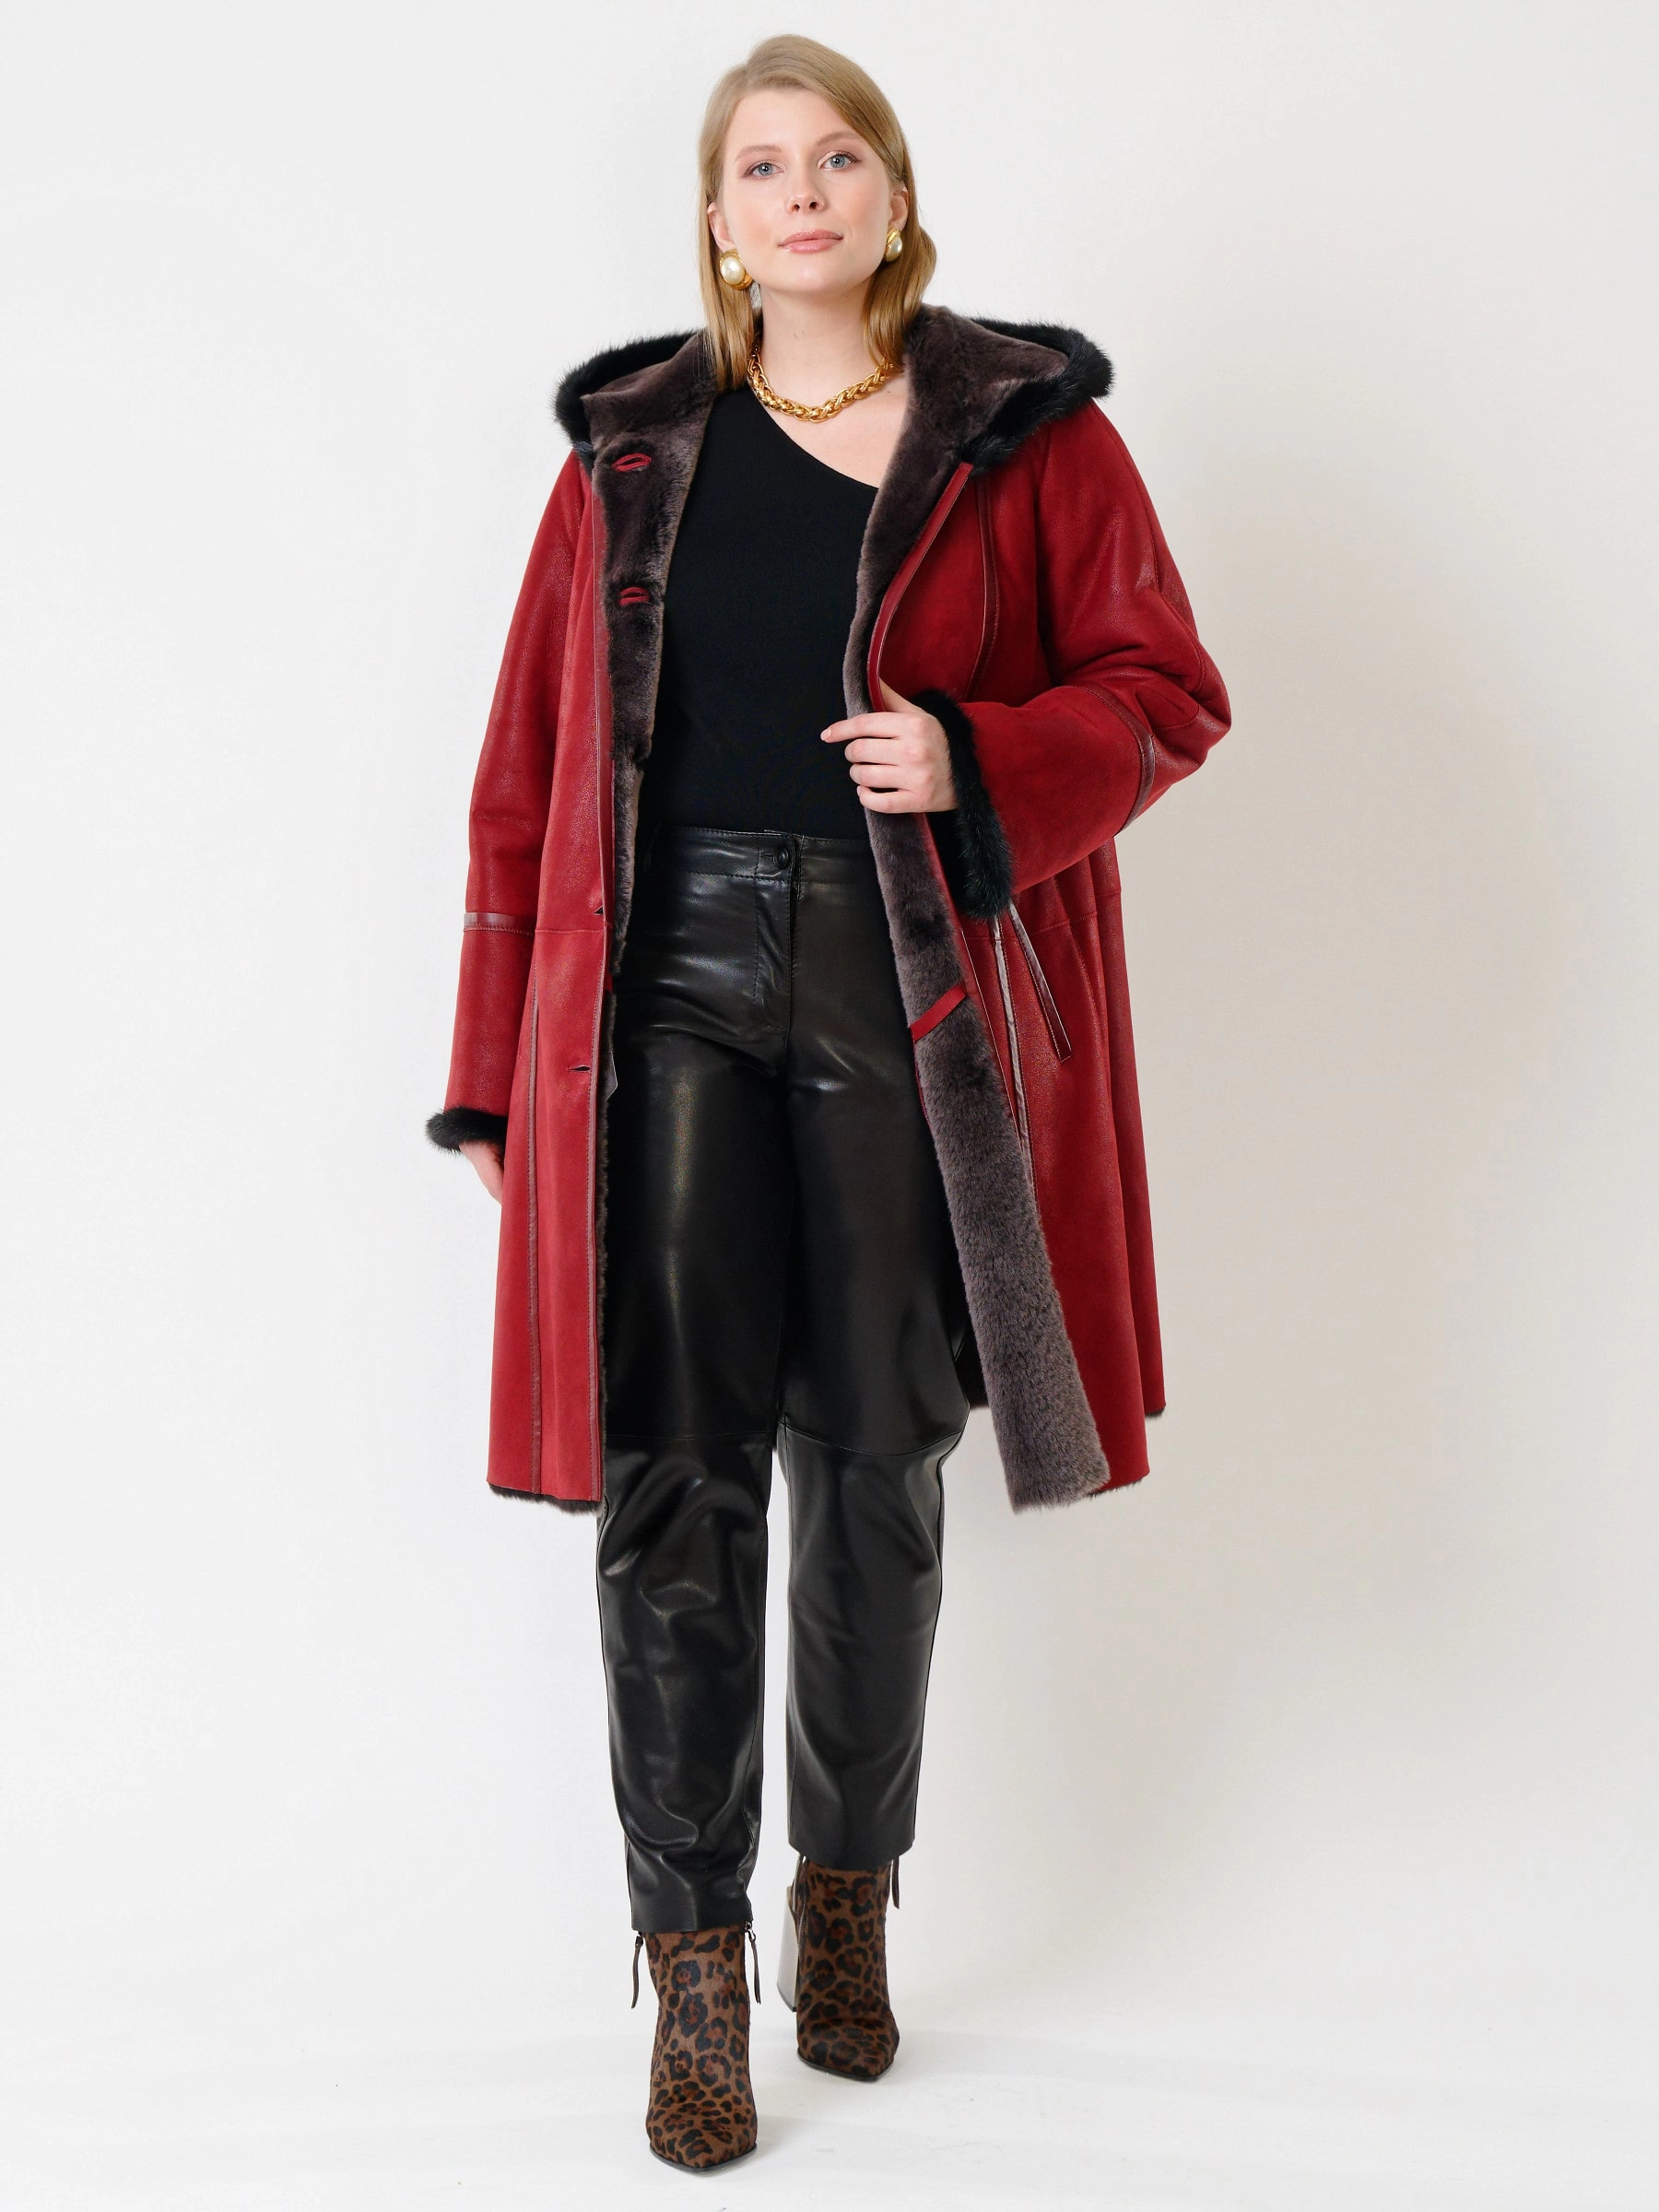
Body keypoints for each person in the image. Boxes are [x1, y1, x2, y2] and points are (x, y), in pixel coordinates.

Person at [427, 32, 1230, 2173]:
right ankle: (693, 1977)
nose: (804, 191)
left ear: (892, 197)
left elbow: (1167, 693)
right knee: (673, 1466)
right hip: (671, 979)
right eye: (763, 165)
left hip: (909, 977)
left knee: (879, 1453)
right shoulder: (628, 457)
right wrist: (493, 1073)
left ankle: (846, 1903)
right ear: (718, 221)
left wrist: (976, 756)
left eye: (841, 156)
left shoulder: (1027, 436)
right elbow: (524, 783)